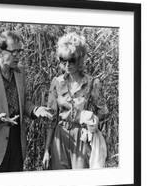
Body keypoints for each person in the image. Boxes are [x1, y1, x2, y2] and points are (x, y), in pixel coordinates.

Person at [0, 30, 53, 173]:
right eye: (13, 52)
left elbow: (23, 102)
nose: (18, 56)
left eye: (20, 51)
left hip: (16, 142)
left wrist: (35, 110)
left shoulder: (19, 72)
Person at [42, 32, 109, 170]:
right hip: (60, 136)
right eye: (63, 59)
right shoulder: (56, 82)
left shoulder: (92, 83)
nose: (67, 64)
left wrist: (93, 118)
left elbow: (104, 111)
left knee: (80, 182)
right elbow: (51, 118)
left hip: (82, 137)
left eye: (71, 60)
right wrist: (47, 150)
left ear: (79, 59)